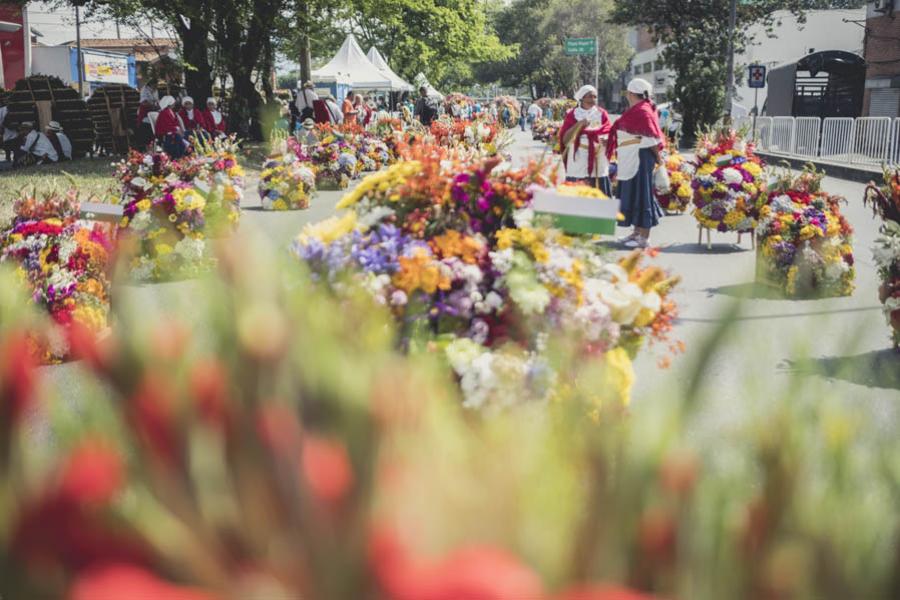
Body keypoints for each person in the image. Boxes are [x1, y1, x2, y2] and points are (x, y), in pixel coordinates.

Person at [606, 78, 664, 249]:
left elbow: (652, 139)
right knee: (634, 193)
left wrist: (658, 158)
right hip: (632, 158)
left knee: (642, 194)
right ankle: (636, 232)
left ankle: (644, 237)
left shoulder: (643, 111)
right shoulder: (638, 109)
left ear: (631, 94)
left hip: (641, 158)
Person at [558, 85, 612, 197]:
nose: (593, 99)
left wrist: (608, 139)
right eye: (590, 96)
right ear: (582, 98)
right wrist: (579, 125)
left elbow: (610, 132)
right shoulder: (572, 114)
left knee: (599, 188)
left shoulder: (602, 113)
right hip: (578, 157)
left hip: (598, 157)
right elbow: (565, 139)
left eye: (595, 97)